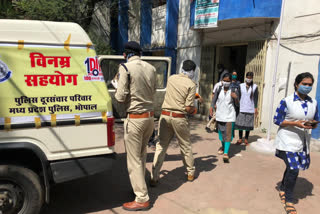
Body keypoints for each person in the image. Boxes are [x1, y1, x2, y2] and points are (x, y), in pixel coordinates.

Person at [114, 41, 156, 211]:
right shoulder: (151, 68)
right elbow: (152, 91)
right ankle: (139, 187)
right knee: (141, 155)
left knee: (133, 161)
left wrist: (116, 86)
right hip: (150, 119)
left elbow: (120, 97)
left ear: (126, 54)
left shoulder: (125, 68)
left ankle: (141, 198)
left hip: (135, 119)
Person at [274, 72, 318, 214]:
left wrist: (313, 124)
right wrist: (295, 124)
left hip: (302, 141)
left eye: (309, 85)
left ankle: (282, 188)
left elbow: (316, 119)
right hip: (287, 140)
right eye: (304, 84)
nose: (307, 87)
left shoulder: (314, 103)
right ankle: (289, 200)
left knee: (292, 167)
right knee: (294, 169)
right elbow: (277, 120)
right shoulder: (287, 101)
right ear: (296, 84)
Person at [151, 60, 197, 186]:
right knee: (185, 145)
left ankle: (154, 176)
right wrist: (194, 108)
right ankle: (190, 173)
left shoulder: (171, 78)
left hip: (165, 116)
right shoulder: (192, 84)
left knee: (161, 146)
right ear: (193, 71)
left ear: (182, 68)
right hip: (179, 117)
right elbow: (188, 108)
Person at [211, 73, 239, 162]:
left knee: (228, 134)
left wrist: (235, 98)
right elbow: (214, 100)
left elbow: (238, 104)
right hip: (220, 115)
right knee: (221, 134)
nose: (226, 82)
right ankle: (223, 147)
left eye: (228, 81)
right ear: (222, 80)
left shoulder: (234, 90)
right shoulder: (219, 89)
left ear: (231, 82)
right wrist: (211, 107)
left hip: (230, 116)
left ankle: (226, 153)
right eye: (225, 80)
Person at [235, 72, 258, 146]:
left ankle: (246, 139)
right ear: (245, 77)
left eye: (250, 78)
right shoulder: (241, 86)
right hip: (242, 107)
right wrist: (237, 104)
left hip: (250, 108)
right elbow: (237, 96)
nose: (249, 79)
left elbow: (256, 98)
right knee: (240, 124)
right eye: (248, 77)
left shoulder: (254, 87)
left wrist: (255, 108)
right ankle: (240, 138)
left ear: (252, 78)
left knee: (248, 125)